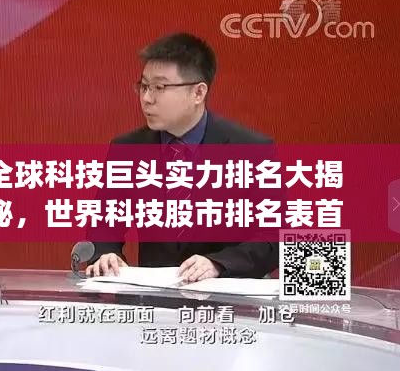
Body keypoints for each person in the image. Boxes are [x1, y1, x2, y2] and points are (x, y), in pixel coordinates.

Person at [86, 32, 278, 282]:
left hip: (227, 295)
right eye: (144, 86)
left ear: (198, 93)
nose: (146, 98)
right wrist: (105, 254)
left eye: (160, 87)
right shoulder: (128, 149)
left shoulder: (251, 150)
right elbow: (103, 225)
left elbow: (273, 237)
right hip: (154, 297)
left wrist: (218, 264)